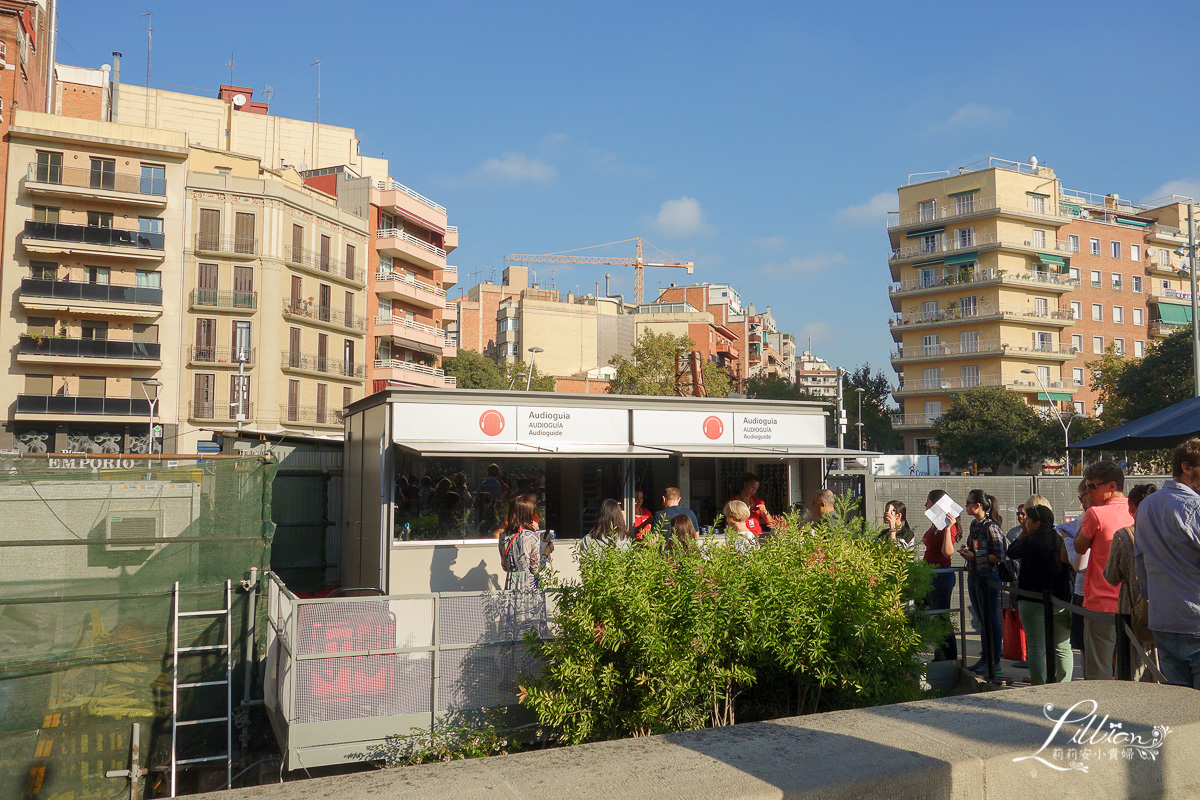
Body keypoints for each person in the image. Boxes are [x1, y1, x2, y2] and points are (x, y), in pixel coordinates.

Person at [1135, 438, 1200, 689]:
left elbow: (1140, 561)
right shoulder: (1193, 507)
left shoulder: (1147, 505)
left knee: (1179, 710)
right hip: (1193, 620)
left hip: (1163, 618)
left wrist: (1151, 596)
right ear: (1186, 466)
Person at [1074, 461, 1133, 680]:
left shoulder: (1096, 514)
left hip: (1101, 603)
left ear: (1110, 486)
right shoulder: (1136, 509)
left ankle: (1100, 712)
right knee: (1129, 666)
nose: (1087, 491)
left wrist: (1089, 510)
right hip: (1133, 602)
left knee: (1099, 668)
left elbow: (1080, 547)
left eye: (1091, 486)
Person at [1007, 503, 1073, 684]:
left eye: (1027, 519)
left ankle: (1039, 685)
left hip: (1031, 598)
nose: (1024, 522)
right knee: (1063, 647)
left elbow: (1010, 552)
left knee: (1036, 646)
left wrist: (1023, 533)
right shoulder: (1060, 539)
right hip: (1060, 599)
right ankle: (1064, 684)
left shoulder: (1028, 540)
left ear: (1036, 522)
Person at [1104, 483, 1158, 681]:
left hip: (1132, 609)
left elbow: (1111, 576)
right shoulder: (1166, 535)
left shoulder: (1123, 536)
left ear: (1132, 507)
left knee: (1132, 663)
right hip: (1165, 607)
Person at [960, 489, 1006, 675]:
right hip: (975, 576)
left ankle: (994, 662)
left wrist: (975, 555)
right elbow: (978, 548)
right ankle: (985, 658)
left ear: (978, 505)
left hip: (988, 578)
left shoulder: (991, 527)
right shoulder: (974, 524)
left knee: (990, 619)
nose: (966, 507)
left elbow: (1000, 555)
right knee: (982, 619)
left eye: (968, 503)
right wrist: (968, 550)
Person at [922, 489, 959, 662]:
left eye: (928, 502)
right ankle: (940, 653)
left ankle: (947, 656)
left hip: (941, 576)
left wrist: (949, 528)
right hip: (931, 574)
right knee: (935, 616)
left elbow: (947, 552)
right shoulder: (935, 525)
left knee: (941, 617)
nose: (925, 505)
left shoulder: (947, 526)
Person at [1057, 480, 1091, 655]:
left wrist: (1068, 540)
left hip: (1087, 593)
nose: (1081, 502)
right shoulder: (1125, 514)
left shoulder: (1089, 518)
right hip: (1109, 593)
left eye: (1081, 496)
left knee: (1091, 651)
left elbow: (1079, 564)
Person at [499, 494, 542, 590]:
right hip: (528, 584)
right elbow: (535, 568)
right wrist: (546, 553)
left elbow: (504, 566)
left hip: (511, 583)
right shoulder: (532, 536)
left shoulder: (503, 536)